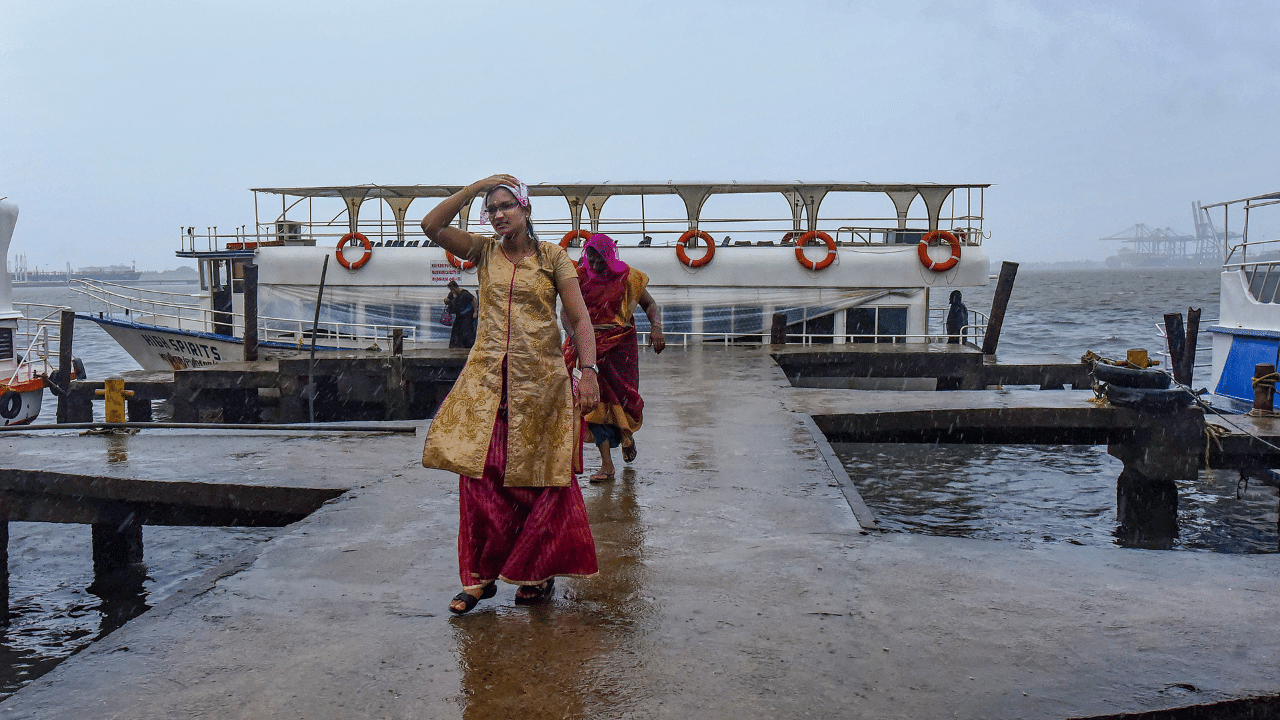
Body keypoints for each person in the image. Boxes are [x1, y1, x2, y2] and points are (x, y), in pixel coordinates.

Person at [420, 174, 602, 615]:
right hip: (487, 385)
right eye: (492, 209)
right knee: (480, 479)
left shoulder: (553, 258)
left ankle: (536, 573)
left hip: (543, 385)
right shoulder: (483, 253)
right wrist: (473, 186)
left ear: (526, 209)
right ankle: (481, 579)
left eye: (505, 206)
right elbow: (431, 225)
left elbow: (578, 321)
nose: (498, 215)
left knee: (543, 481)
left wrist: (590, 371)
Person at [561, 234, 665, 482]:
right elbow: (565, 312)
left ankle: (626, 433)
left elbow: (650, 305)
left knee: (622, 399)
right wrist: (574, 337)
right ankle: (607, 464)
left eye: (600, 255)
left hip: (620, 348)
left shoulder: (629, 277)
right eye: (591, 255)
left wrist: (657, 327)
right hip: (587, 348)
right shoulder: (579, 277)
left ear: (611, 255)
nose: (595, 261)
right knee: (592, 403)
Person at [444, 280, 476, 348]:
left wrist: (475, 312)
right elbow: (449, 301)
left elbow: (474, 300)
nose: (452, 291)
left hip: (467, 314)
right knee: (456, 330)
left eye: (453, 289)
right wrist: (446, 301)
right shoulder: (451, 294)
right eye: (451, 290)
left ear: (456, 287)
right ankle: (456, 345)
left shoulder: (465, 293)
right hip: (459, 315)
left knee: (467, 331)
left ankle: (468, 345)